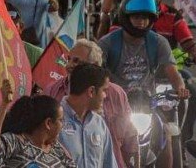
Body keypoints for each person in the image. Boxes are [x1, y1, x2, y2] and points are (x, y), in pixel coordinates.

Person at [43, 40, 134, 168]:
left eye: (76, 61)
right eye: (68, 59)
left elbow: (130, 139)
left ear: (95, 65)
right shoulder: (52, 92)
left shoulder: (115, 96)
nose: (69, 65)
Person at [0, 85, 74, 168]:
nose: (63, 125)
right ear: (48, 123)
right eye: (61, 120)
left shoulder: (56, 148)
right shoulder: (16, 142)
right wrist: (4, 105)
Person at [58, 63, 117, 168]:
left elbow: (109, 164)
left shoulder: (100, 124)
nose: (105, 96)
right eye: (104, 90)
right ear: (91, 91)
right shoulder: (53, 121)